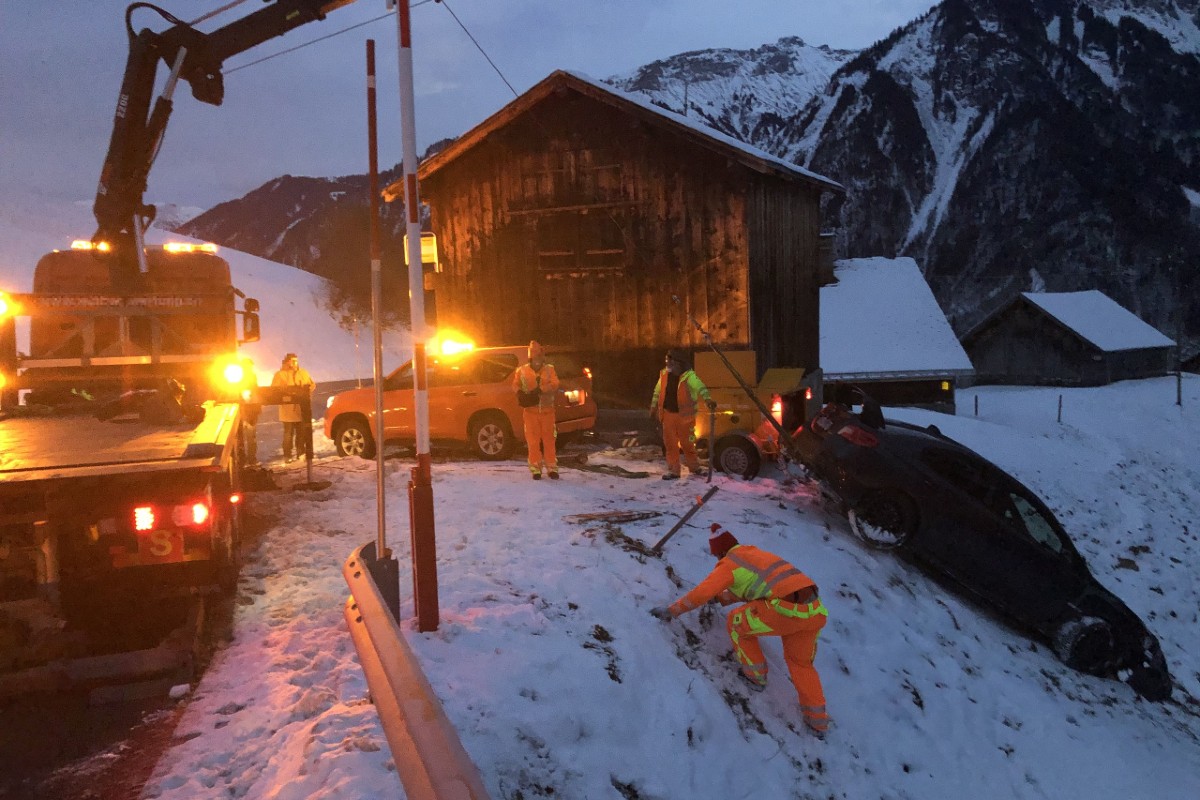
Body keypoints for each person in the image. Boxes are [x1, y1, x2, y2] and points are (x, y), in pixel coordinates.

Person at [651, 523, 831, 737]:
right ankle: (818, 721)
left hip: (785, 611)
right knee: (801, 663)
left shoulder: (728, 564)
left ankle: (756, 676)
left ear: (719, 552)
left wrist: (673, 611)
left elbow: (700, 593)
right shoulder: (752, 554)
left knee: (737, 623)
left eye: (716, 555)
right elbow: (752, 588)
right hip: (814, 611)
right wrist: (720, 598)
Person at [650, 348, 715, 480]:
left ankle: (694, 467)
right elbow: (657, 391)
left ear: (678, 362)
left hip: (685, 417)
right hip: (668, 415)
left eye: (670, 360)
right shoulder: (663, 375)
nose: (667, 363)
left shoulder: (689, 377)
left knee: (688, 444)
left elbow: (700, 387)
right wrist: (653, 407)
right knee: (670, 445)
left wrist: (708, 399)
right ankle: (674, 471)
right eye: (667, 360)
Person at [512, 340, 560, 480]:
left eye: (540, 357)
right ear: (530, 358)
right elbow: (515, 385)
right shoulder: (521, 371)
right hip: (530, 412)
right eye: (535, 357)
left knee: (549, 441)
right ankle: (536, 469)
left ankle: (552, 468)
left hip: (547, 412)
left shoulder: (550, 369)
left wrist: (541, 389)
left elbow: (556, 383)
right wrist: (520, 392)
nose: (538, 360)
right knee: (533, 442)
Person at [271, 352, 315, 462]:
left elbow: (312, 384)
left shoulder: (303, 372)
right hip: (287, 410)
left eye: (296, 360)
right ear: (287, 361)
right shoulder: (280, 374)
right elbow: (274, 390)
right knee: (288, 434)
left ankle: (301, 453)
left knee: (301, 433)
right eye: (292, 360)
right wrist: (286, 391)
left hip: (301, 409)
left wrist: (307, 390)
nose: (295, 363)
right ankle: (287, 455)